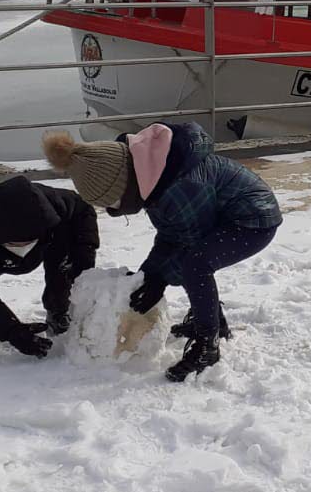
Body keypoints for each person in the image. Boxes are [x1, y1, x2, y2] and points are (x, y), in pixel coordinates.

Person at [41, 121, 281, 382]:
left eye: (112, 202)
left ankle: (207, 345)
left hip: (253, 220)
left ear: (124, 184)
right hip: (220, 217)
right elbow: (171, 233)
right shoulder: (153, 176)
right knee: (193, 264)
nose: (113, 210)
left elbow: (189, 241)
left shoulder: (180, 188)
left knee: (196, 265)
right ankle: (213, 320)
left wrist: (160, 279)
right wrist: (150, 275)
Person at [0, 174, 99, 359]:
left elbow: (84, 215)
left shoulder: (58, 205)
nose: (23, 248)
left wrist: (82, 258)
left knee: (65, 269)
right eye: (15, 244)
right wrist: (12, 331)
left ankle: (58, 310)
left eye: (27, 242)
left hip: (48, 238)